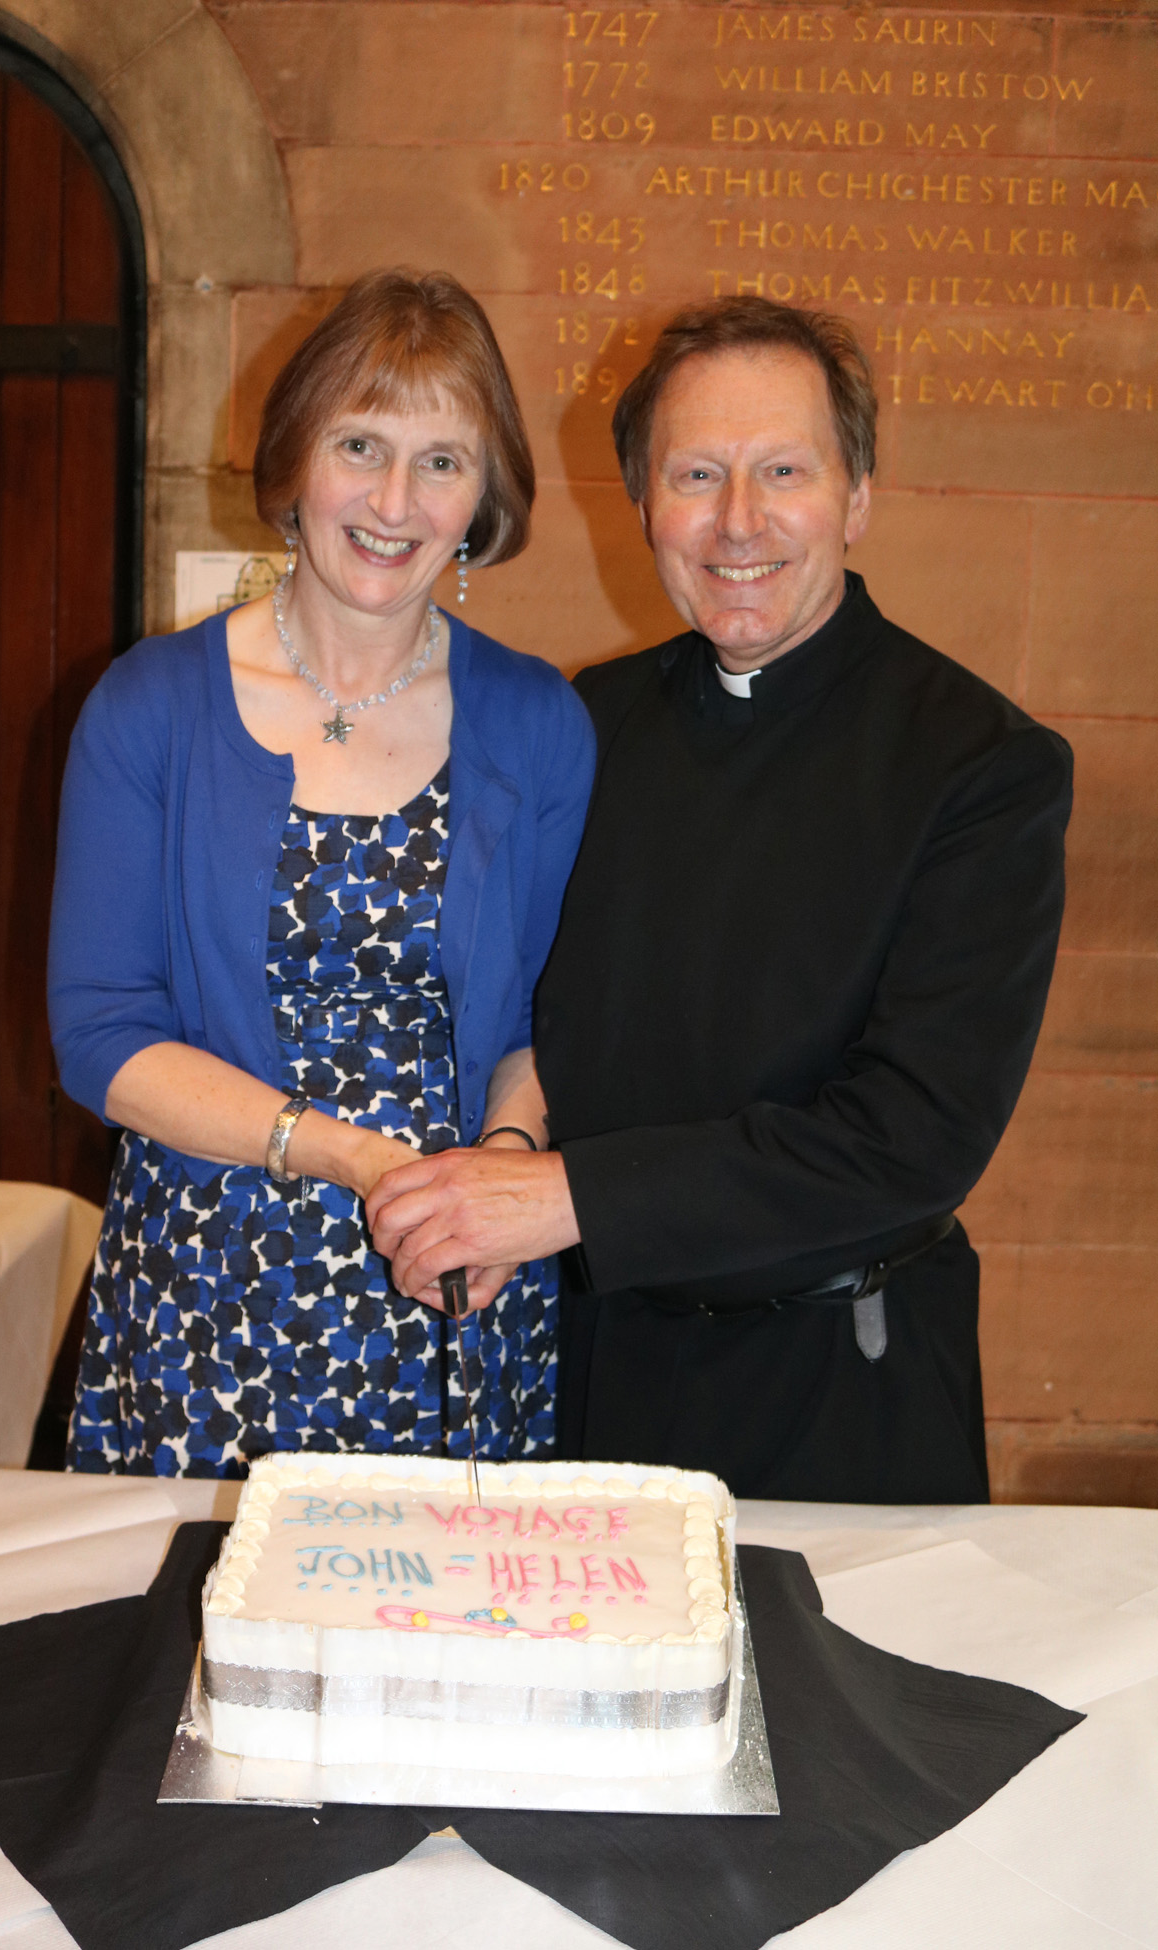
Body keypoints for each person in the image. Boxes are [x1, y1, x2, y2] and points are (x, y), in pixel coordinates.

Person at [369, 294, 1073, 1504]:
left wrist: (558, 1195)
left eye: (783, 471)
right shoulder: (590, 723)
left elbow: (909, 1140)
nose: (738, 522)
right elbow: (534, 1012)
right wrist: (500, 1161)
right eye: (696, 475)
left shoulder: (980, 766)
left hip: (840, 1392)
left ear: (855, 497)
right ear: (644, 504)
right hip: (594, 1367)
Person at [50, 269, 595, 1476]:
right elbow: (100, 1037)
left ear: (482, 496)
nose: (395, 501)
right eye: (361, 444)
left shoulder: (539, 721)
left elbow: (550, 1018)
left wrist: (501, 1171)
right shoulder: (151, 707)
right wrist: (350, 1156)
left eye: (441, 461)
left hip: (450, 1275)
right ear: (297, 456)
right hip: (210, 1280)